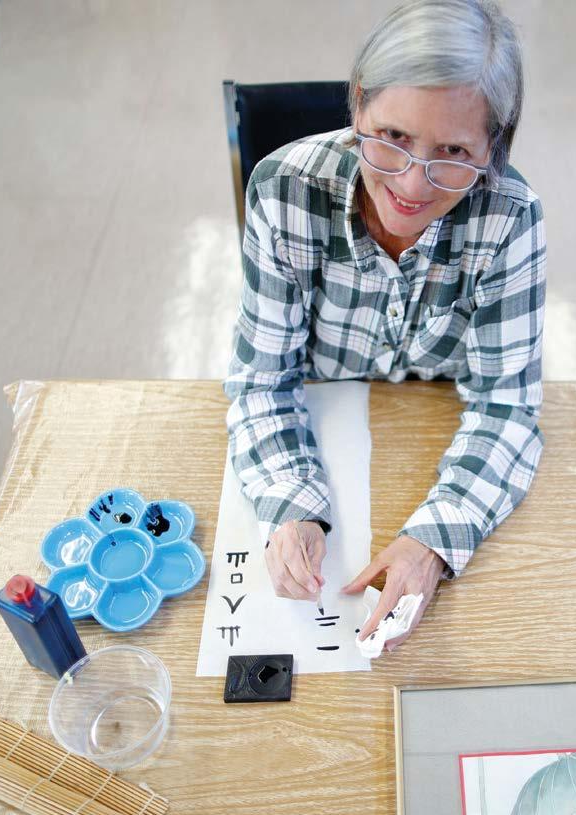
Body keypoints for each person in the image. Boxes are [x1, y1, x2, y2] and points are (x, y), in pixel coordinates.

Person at [225, 0, 546, 652]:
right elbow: (262, 381)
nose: (412, 184)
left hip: (431, 425)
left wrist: (434, 539)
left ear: (494, 147)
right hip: (325, 410)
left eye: (452, 151)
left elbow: (507, 404)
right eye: (392, 136)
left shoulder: (511, 218)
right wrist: (290, 501)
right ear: (357, 105)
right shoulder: (282, 189)